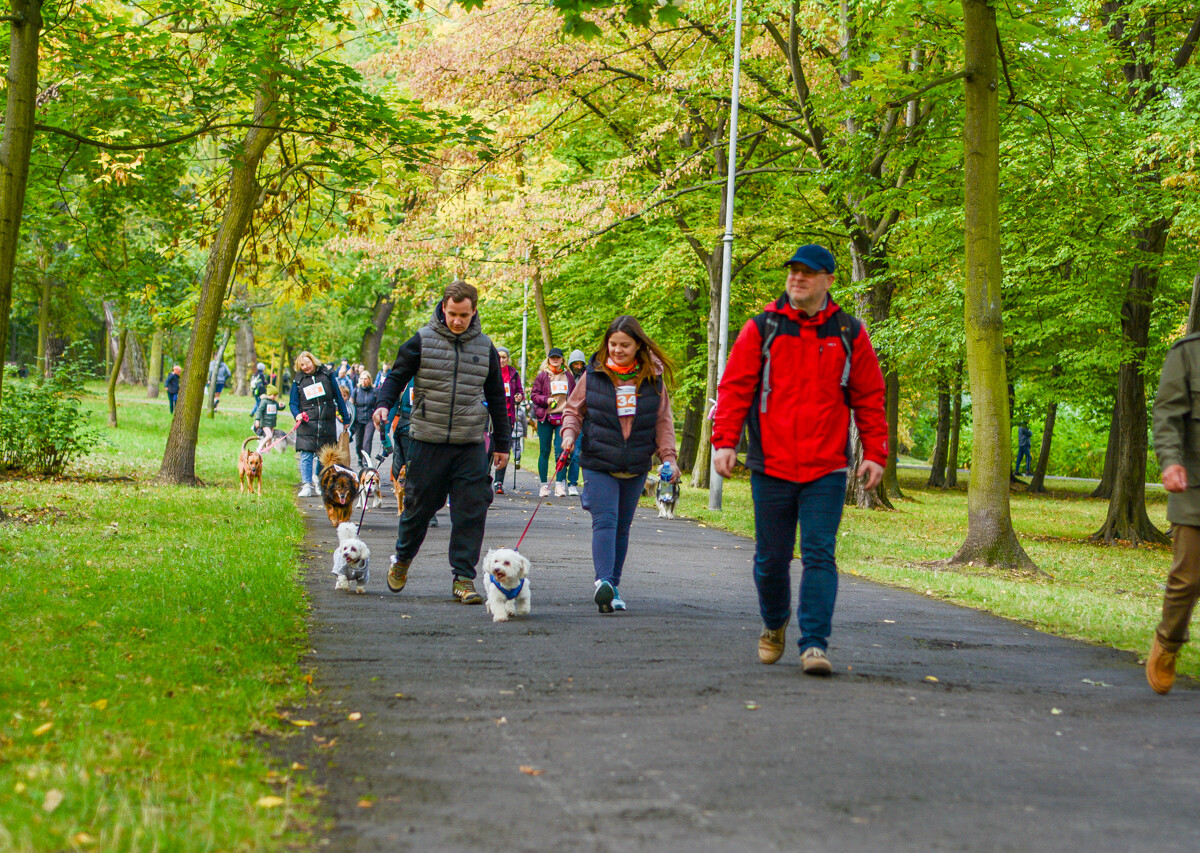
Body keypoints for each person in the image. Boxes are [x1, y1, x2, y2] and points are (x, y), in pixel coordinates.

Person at [711, 243, 887, 676]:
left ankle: (813, 644)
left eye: (808, 273)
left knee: (819, 555)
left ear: (828, 280)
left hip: (826, 467)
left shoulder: (849, 332)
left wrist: (876, 452)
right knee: (771, 560)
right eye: (793, 271)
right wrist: (725, 441)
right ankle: (774, 624)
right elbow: (735, 389)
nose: (797, 278)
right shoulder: (762, 328)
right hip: (771, 464)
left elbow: (869, 396)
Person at [373, 281, 510, 605]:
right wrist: (383, 403)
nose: (458, 321)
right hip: (428, 439)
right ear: (443, 308)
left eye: (464, 315)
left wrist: (502, 441)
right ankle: (403, 558)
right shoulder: (422, 340)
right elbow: (397, 376)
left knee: (471, 508)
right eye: (452, 314)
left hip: (470, 441)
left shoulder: (485, 347)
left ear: (474, 311)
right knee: (419, 507)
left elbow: (496, 396)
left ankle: (463, 578)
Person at [561, 316, 679, 614]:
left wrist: (669, 458)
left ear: (638, 345)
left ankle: (613, 585)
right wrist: (568, 435)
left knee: (622, 527)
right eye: (613, 344)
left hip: (636, 463)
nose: (617, 350)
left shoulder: (653, 378)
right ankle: (603, 583)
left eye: (625, 345)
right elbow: (573, 411)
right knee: (606, 520)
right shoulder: (594, 374)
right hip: (599, 460)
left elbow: (663, 421)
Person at [1147, 334, 1200, 694]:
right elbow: (1166, 415)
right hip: (1194, 484)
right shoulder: (1188, 353)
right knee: (1189, 576)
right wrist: (1170, 461)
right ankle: (1167, 644)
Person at [290, 351, 351, 498]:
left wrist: (346, 418)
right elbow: (293, 402)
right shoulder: (298, 380)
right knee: (306, 454)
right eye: (302, 365)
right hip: (307, 422)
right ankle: (306, 484)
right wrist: (297, 414)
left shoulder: (327, 375)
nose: (305, 367)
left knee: (324, 454)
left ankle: (318, 480)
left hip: (326, 421)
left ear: (313, 361)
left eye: (307, 363)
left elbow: (338, 396)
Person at [530, 347, 575, 497]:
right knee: (544, 451)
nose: (555, 360)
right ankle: (544, 485)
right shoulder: (542, 376)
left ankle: (559, 485)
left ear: (562, 359)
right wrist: (546, 400)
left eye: (558, 357)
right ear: (548, 359)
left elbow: (574, 396)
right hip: (545, 417)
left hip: (563, 418)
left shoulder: (568, 376)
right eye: (552, 357)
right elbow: (534, 395)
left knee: (561, 451)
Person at [491, 346, 524, 494]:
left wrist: (519, 397)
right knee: (488, 448)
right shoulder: (490, 370)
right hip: (491, 416)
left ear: (508, 358)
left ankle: (499, 481)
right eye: (499, 357)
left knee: (504, 448)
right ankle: (484, 479)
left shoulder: (513, 373)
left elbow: (519, 391)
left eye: (504, 357)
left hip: (507, 417)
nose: (502, 360)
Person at [565, 349, 587, 496]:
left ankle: (579, 483)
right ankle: (567, 482)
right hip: (571, 419)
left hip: (586, 419)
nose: (578, 367)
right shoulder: (566, 378)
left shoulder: (588, 377)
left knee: (581, 454)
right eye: (575, 364)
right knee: (572, 452)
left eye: (581, 364)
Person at [351, 370, 377, 466]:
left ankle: (366, 461)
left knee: (367, 440)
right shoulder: (356, 391)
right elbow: (351, 404)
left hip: (370, 419)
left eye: (365, 379)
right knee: (359, 443)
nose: (363, 381)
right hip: (358, 419)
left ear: (369, 380)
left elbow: (378, 405)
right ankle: (359, 457)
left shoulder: (374, 391)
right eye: (361, 379)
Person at [252, 385, 285, 453]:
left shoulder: (274, 402)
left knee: (270, 438)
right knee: (269, 435)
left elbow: (279, 408)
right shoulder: (264, 402)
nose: (275, 397)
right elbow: (259, 410)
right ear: (269, 394)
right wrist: (257, 420)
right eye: (273, 395)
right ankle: (260, 447)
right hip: (265, 423)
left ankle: (267, 451)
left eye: (276, 395)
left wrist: (282, 406)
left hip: (272, 423)